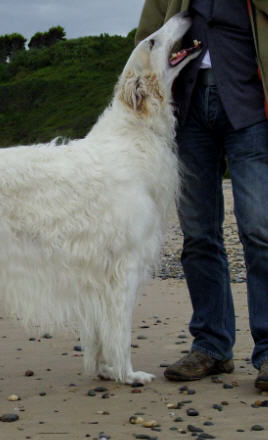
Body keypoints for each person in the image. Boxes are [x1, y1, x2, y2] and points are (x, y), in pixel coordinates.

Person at [135, 0, 268, 390]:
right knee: (197, 235)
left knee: (260, 230)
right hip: (187, 110)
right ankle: (211, 345)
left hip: (250, 106)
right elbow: (146, 40)